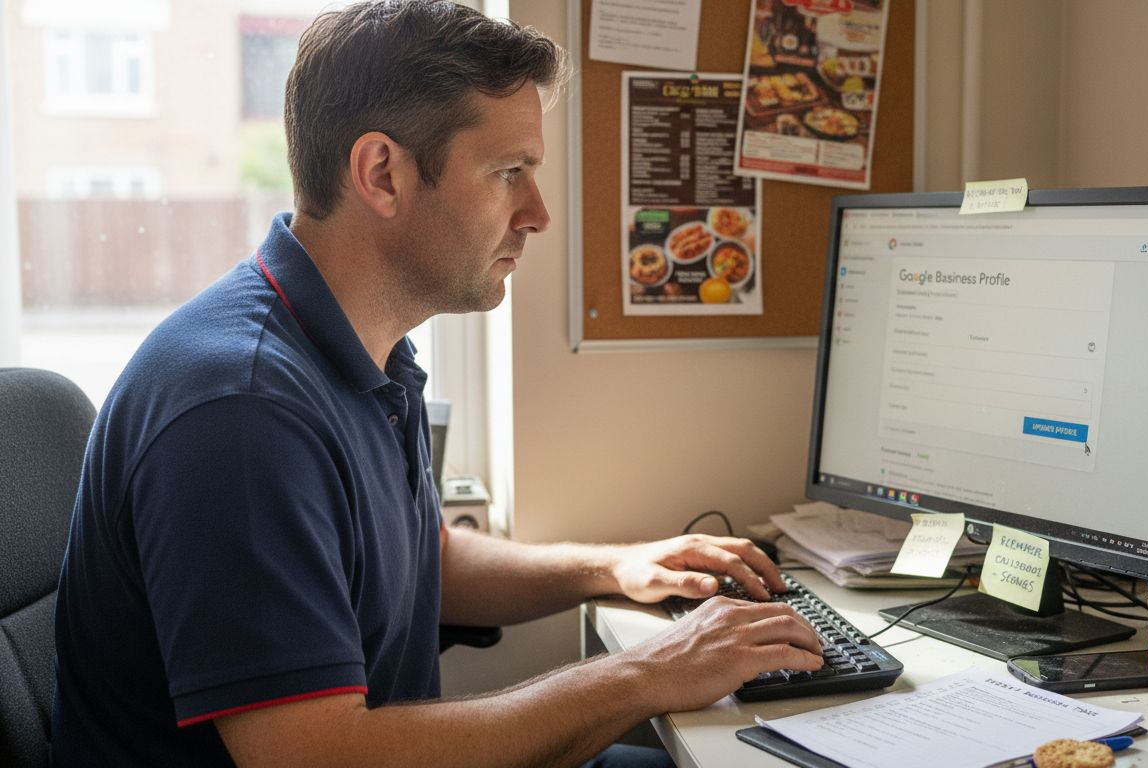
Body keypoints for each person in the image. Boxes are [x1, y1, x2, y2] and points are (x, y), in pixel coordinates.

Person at [49, 1, 823, 766]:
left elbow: (422, 561)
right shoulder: (242, 411)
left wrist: (615, 568)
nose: (538, 213)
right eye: (508, 173)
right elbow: (315, 757)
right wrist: (648, 672)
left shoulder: (364, 349)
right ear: (382, 173)